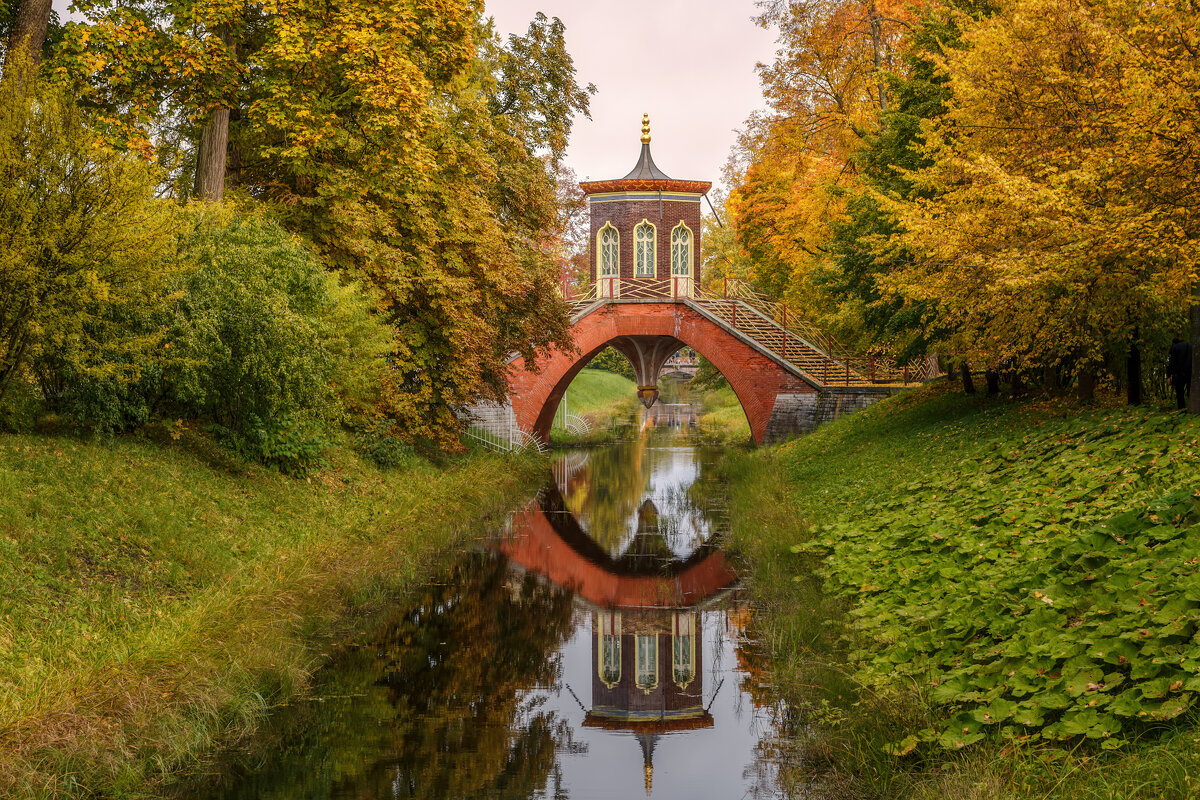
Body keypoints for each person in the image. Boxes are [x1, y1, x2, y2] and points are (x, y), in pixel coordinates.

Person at [1167, 337, 1192, 410]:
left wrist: (1168, 376)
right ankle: (1192, 409)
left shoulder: (1174, 347)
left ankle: (1182, 409)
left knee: (1180, 393)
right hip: (1190, 372)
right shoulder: (1191, 346)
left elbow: (1171, 362)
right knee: (1190, 391)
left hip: (1179, 373)